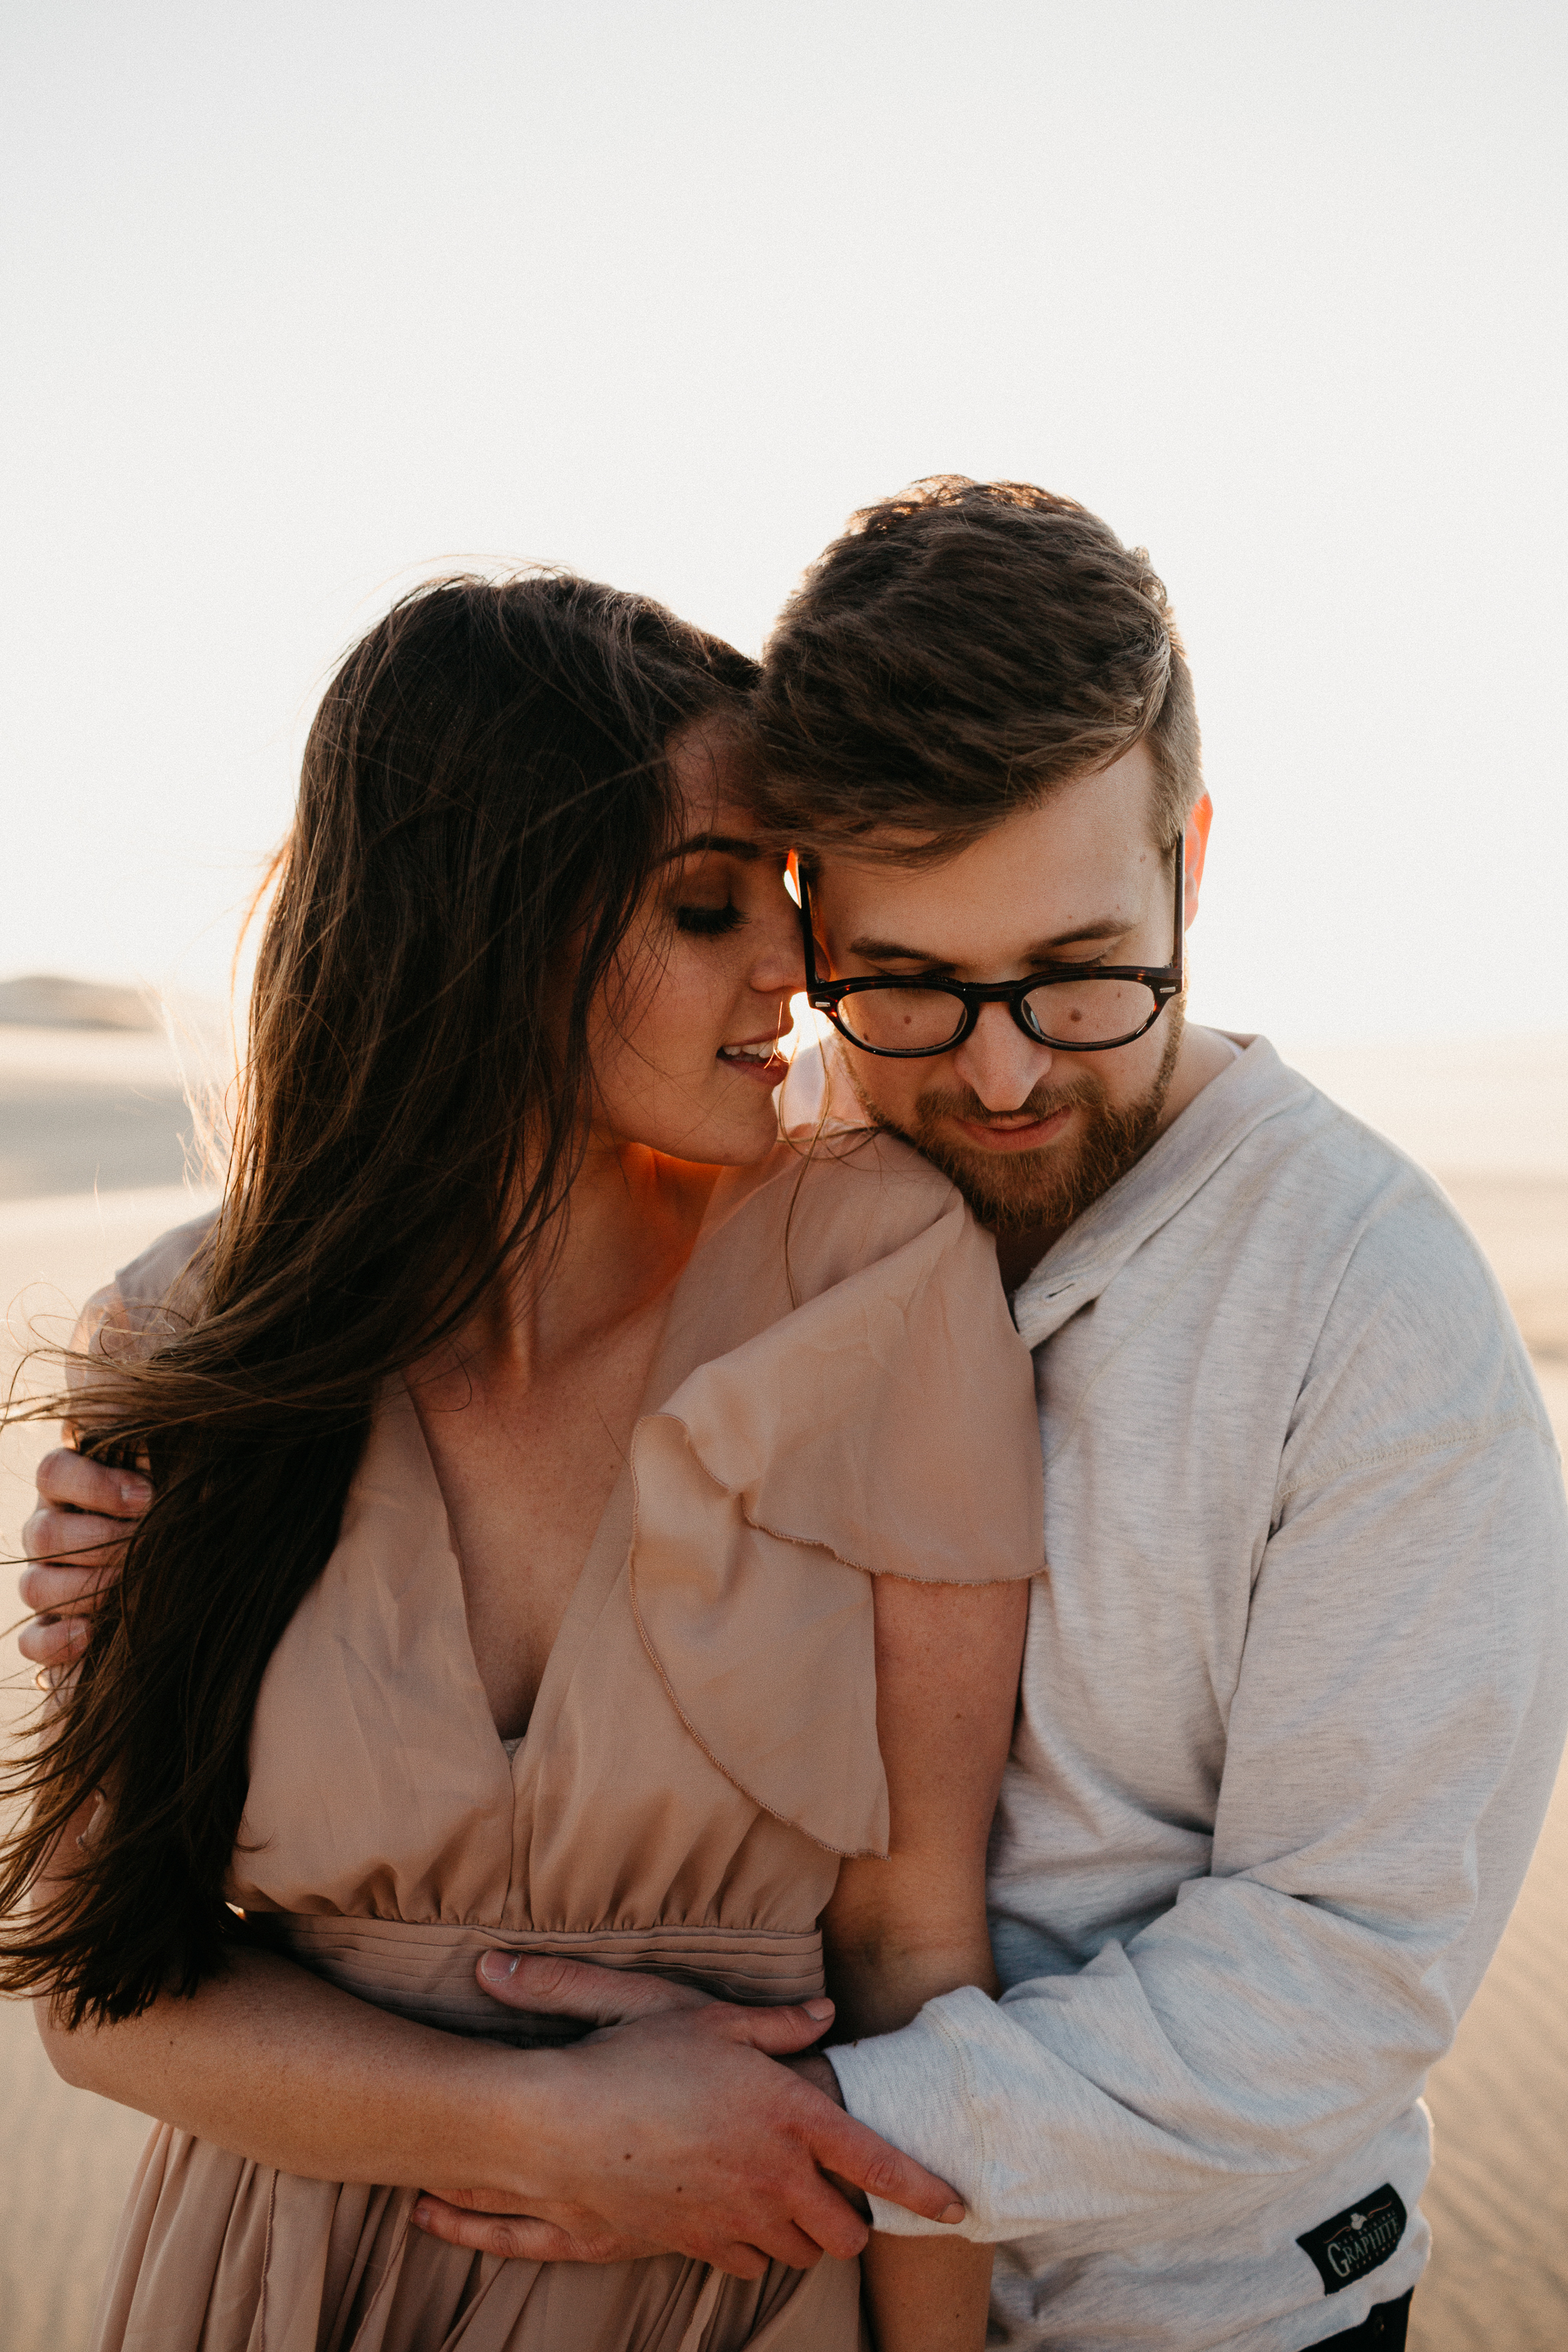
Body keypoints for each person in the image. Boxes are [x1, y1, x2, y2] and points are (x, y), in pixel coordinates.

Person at [25, 480, 1568, 2350]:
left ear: (1190, 863)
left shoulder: (1363, 1307)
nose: (997, 1072)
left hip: (1183, 2304)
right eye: (903, 986)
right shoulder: (757, 1148)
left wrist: (766, 2137)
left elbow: (1341, 1964)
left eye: (1081, 980)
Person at [2, 571, 1048, 2352]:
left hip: (722, 2298)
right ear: (491, 922)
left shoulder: (872, 1270)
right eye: (710, 907)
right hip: (280, 2284)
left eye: (785, 901)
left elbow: (916, 1958)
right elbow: (105, 2002)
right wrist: (540, 2126)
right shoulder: (189, 1338)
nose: (793, 969)